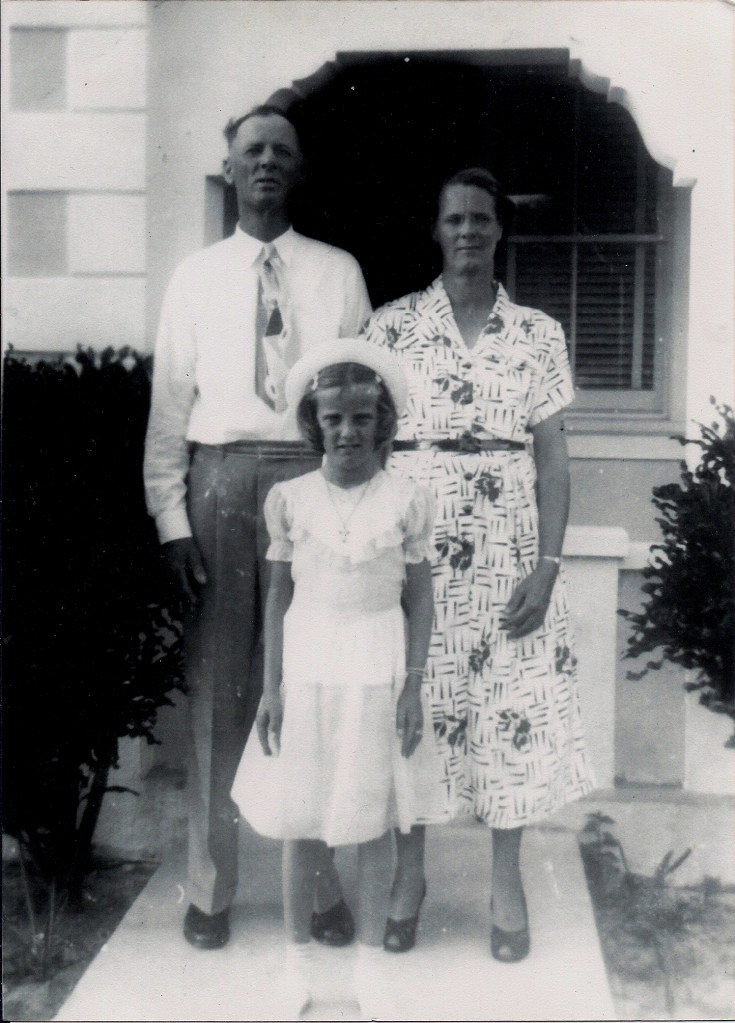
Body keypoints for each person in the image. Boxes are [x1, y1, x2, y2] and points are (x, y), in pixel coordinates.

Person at [143, 105, 371, 951]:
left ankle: (317, 890)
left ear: (298, 171)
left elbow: (360, 398)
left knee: (308, 683)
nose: (266, 163)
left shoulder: (337, 271)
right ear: (229, 170)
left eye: (281, 152)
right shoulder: (195, 277)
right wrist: (172, 518)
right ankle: (209, 888)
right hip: (221, 481)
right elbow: (169, 410)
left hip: (311, 478)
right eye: (251, 152)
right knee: (220, 692)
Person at [362, 167, 595, 962]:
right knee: (413, 708)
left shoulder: (537, 333)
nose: (467, 231)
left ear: (500, 232)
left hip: (509, 553)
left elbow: (554, 458)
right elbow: (366, 444)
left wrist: (549, 564)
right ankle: (407, 878)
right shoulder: (389, 327)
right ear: (435, 230)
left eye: (481, 220)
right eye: (453, 218)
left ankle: (505, 882)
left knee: (510, 713)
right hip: (417, 555)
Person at [232, 339, 435, 1018]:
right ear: (313, 422)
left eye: (360, 417)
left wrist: (411, 682)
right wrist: (272, 684)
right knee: (303, 820)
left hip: (377, 664)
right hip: (309, 663)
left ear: (382, 422)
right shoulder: (289, 498)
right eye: (333, 417)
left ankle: (370, 966)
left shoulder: (407, 499)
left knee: (372, 818)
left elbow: (420, 597)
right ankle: (298, 966)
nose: (346, 430)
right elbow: (276, 595)